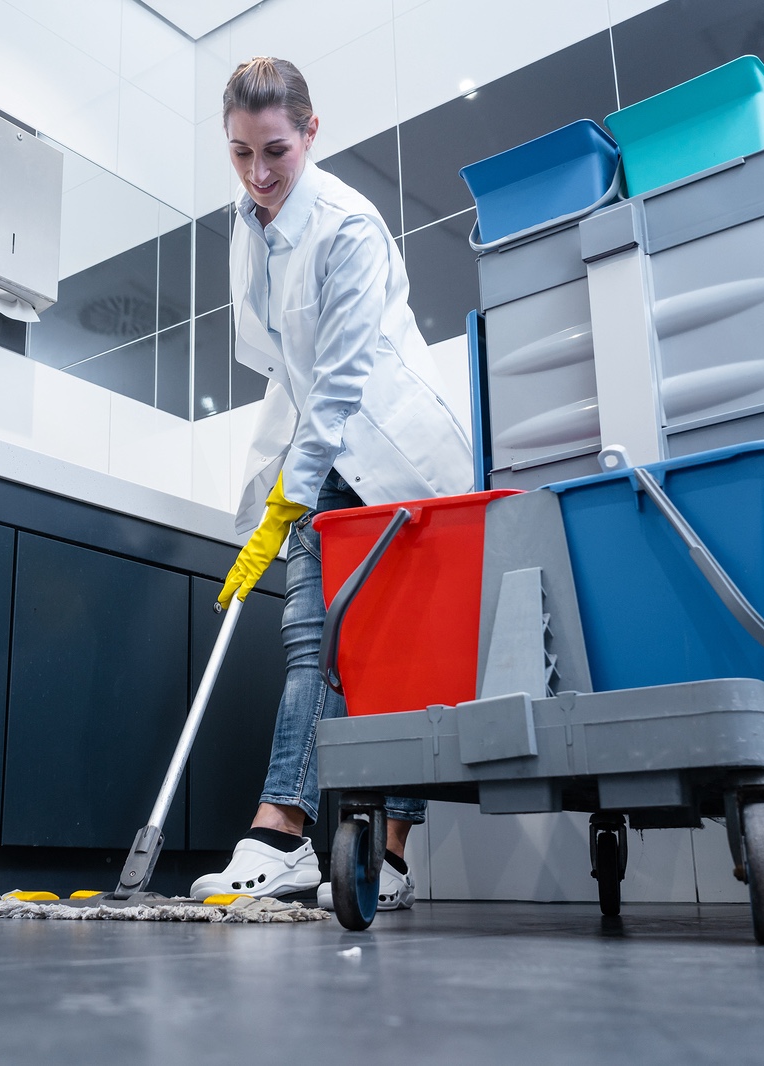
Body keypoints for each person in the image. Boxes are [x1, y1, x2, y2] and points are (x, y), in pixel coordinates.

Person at [190, 57, 473, 910]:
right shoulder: (249, 226)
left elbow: (343, 381)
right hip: (319, 454)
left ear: (311, 132)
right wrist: (270, 500)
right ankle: (284, 835)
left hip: (394, 463)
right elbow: (286, 370)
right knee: (311, 642)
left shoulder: (347, 226)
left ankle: (389, 858)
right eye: (240, 153)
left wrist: (291, 492)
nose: (260, 173)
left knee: (401, 659)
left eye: (274, 149)